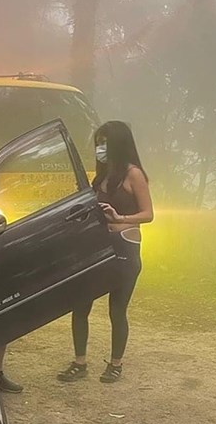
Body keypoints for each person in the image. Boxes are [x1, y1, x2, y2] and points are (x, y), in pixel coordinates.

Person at [58, 121, 153, 384]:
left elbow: (148, 214)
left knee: (117, 310)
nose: (100, 148)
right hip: (95, 248)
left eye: (104, 143)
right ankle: (79, 362)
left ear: (118, 144)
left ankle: (115, 364)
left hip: (124, 247)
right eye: (98, 143)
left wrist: (120, 217)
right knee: (80, 305)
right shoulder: (101, 176)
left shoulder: (134, 174)